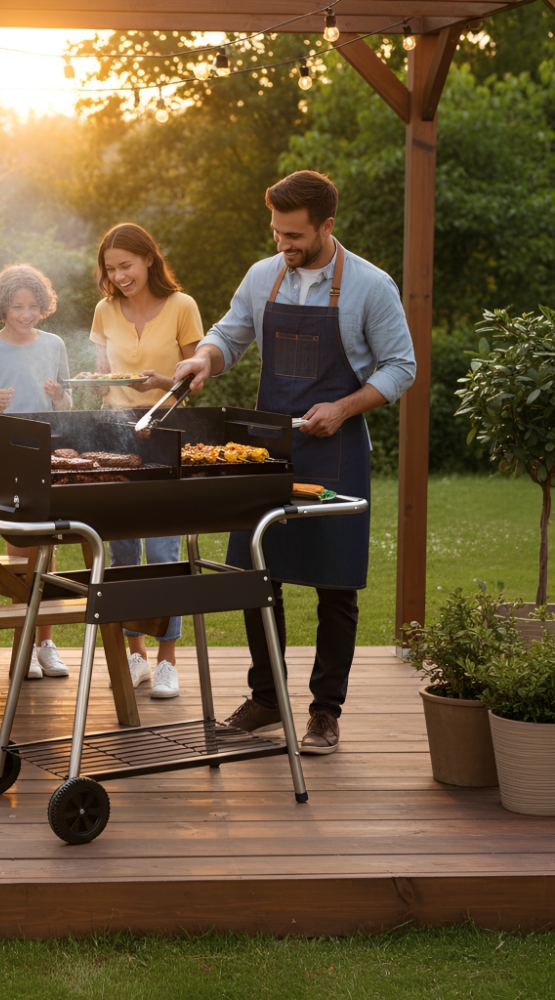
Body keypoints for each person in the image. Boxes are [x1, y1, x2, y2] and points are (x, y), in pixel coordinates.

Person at [174, 170, 416, 752]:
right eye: (277, 232)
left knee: (336, 586)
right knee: (258, 575)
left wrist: (345, 405)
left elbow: (400, 367)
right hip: (268, 448)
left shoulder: (370, 286)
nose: (283, 243)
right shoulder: (263, 276)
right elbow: (229, 336)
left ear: (327, 226)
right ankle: (266, 697)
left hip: (336, 450)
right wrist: (204, 359)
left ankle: (325, 711)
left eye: (295, 235)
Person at [86, 222, 204, 700]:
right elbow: (99, 375)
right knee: (122, 551)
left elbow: (195, 379)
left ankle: (168, 659)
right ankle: (135, 652)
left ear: (149, 259)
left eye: (126, 266)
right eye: (111, 269)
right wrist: (81, 382)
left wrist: (157, 382)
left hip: (163, 433)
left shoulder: (182, 307)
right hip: (112, 433)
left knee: (162, 553)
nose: (118, 276)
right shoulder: (103, 309)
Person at [0, 263, 72, 680]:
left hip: (48, 452)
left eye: (33, 306)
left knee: (46, 546)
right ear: (2, 308)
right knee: (16, 550)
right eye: (17, 306)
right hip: (6, 456)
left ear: (43, 306)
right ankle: (20, 643)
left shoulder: (55, 344)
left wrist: (60, 394)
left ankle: (45, 643)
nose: (26, 314)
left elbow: (67, 404)